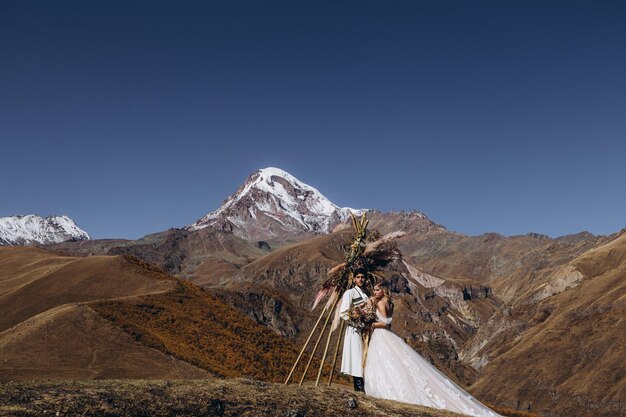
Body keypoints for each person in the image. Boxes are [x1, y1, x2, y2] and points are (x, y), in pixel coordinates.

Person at [364, 280, 502, 417]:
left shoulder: (381, 303)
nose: (374, 292)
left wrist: (372, 324)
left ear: (383, 290)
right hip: (384, 336)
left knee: (386, 362)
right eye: (374, 290)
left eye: (377, 290)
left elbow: (386, 322)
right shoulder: (389, 303)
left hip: (382, 335)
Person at [339, 268, 370, 392]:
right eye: (358, 277)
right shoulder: (350, 293)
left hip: (365, 330)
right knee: (357, 357)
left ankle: (364, 387)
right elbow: (343, 313)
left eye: (362, 277)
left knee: (364, 357)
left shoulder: (366, 293)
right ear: (354, 279)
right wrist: (356, 322)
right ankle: (358, 388)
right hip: (354, 330)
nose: (360, 279)